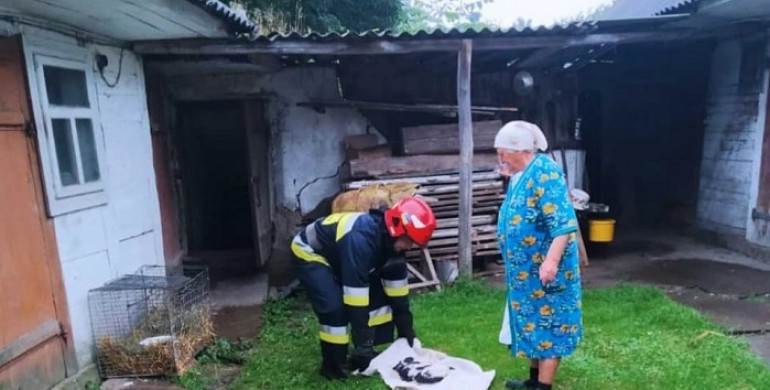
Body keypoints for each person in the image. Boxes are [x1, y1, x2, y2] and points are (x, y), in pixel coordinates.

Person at [291, 196, 437, 380]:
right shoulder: (360, 238)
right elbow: (355, 298)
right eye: (409, 240)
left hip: (338, 253)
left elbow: (398, 295)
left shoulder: (391, 245)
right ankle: (333, 364)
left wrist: (407, 332)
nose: (410, 246)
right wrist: (362, 345)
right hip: (309, 250)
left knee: (378, 298)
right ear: (397, 228)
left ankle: (366, 351)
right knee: (334, 308)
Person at [494, 121, 583, 390]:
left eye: (502, 153)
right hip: (527, 274)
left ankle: (543, 387)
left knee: (551, 326)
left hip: (547, 271)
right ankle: (532, 383)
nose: (500, 158)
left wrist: (551, 262)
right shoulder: (523, 173)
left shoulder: (546, 172)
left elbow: (564, 223)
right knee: (534, 323)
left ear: (518, 149)